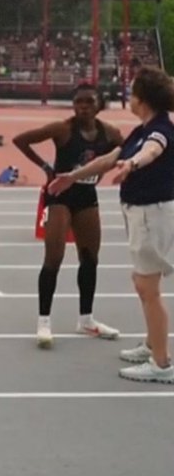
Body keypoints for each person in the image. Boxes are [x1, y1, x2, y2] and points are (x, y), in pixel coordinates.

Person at [50, 65, 174, 383]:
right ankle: (152, 345)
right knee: (144, 283)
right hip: (141, 213)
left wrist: (132, 164)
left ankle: (161, 364)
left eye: (132, 94)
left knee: (147, 287)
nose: (128, 99)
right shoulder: (142, 128)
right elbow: (109, 158)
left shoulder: (159, 129)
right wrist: (72, 177)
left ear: (143, 99)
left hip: (151, 213)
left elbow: (152, 150)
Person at [13, 84, 123, 347]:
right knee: (54, 257)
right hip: (60, 196)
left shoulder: (110, 133)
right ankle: (44, 321)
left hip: (87, 196)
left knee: (90, 258)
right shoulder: (62, 129)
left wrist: (103, 173)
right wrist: (46, 167)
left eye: (88, 102)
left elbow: (124, 153)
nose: (83, 106)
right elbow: (21, 140)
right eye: (78, 102)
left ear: (99, 105)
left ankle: (86, 319)